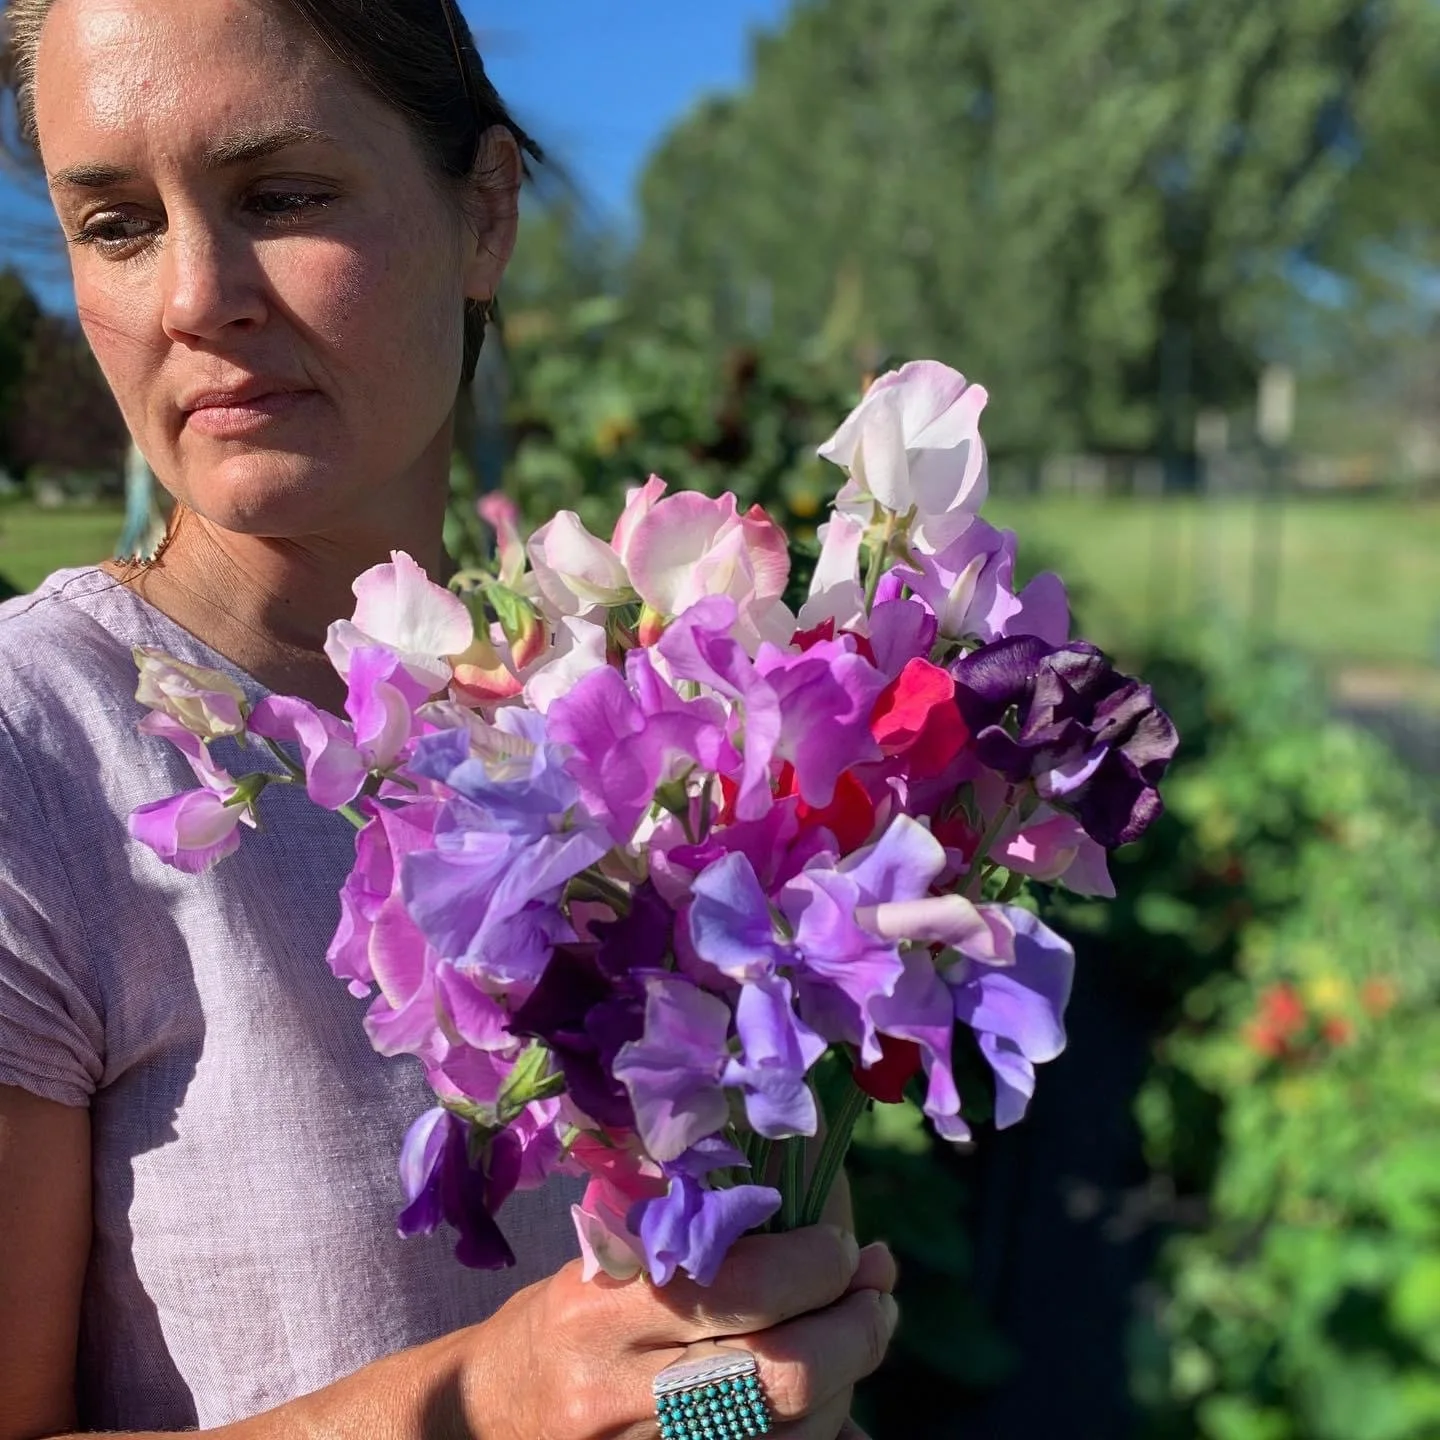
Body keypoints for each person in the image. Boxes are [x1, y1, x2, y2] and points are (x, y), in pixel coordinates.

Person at [0, 2, 899, 1437]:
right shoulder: (38, 749)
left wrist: (763, 1388)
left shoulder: (648, 724)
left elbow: (747, 1369)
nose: (193, 297)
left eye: (280, 195)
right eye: (117, 223)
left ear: (485, 214)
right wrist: (487, 1403)